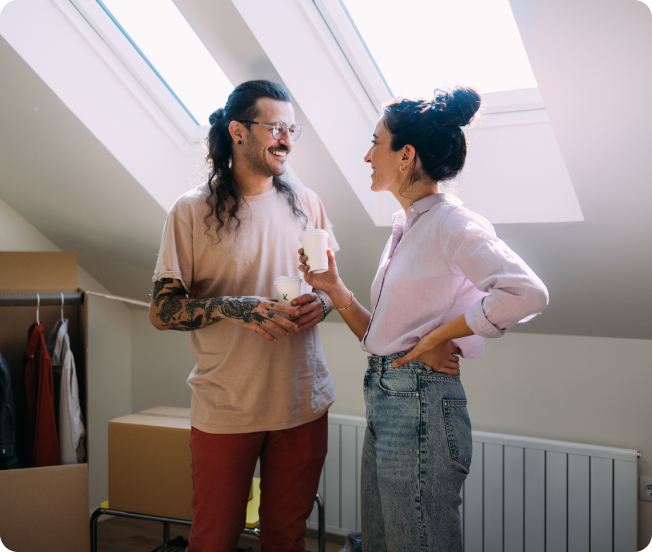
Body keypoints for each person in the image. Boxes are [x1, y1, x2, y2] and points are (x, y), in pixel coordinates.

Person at [299, 86, 549, 552]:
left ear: (405, 155)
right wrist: (335, 290)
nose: (367, 154)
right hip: (388, 396)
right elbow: (388, 338)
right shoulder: (407, 227)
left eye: (376, 142)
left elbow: (526, 292)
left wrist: (442, 335)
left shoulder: (452, 223)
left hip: (421, 404)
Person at [149, 80, 339, 552]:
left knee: (286, 538)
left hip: (301, 401)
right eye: (275, 127)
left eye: (291, 128)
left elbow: (330, 285)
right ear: (238, 131)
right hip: (226, 407)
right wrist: (235, 308)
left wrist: (325, 303)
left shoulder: (307, 202)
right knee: (213, 539)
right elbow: (162, 310)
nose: (286, 139)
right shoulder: (191, 211)